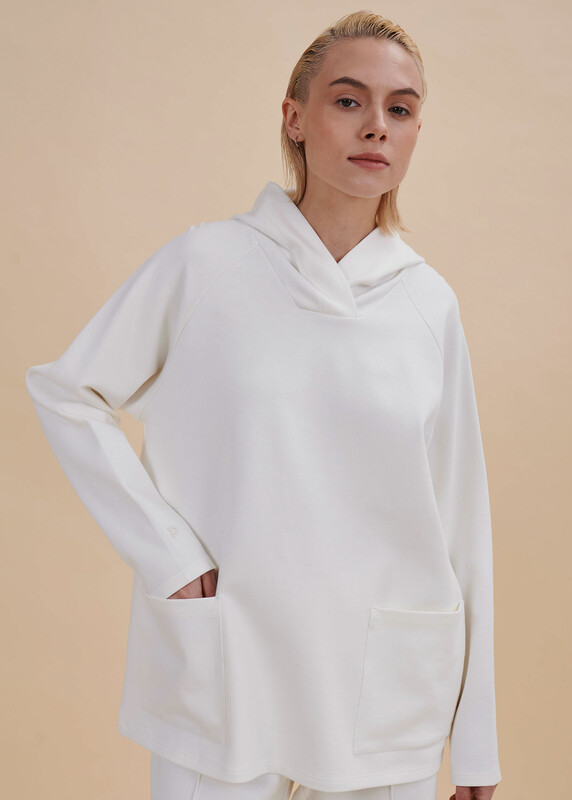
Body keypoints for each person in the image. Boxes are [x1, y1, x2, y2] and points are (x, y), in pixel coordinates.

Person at [25, 10, 502, 800]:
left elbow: (462, 522)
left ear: (416, 132)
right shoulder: (206, 265)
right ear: (295, 118)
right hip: (226, 671)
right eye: (348, 101)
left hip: (384, 695)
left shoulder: (428, 306)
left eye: (400, 108)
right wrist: (169, 555)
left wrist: (477, 743)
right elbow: (66, 390)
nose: (376, 127)